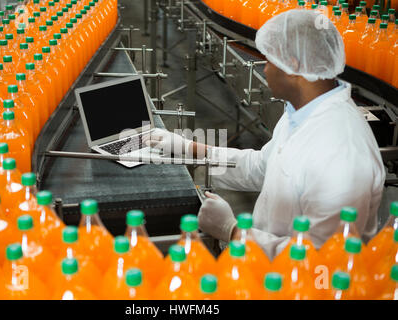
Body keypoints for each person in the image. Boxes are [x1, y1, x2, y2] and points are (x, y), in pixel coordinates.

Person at [143, 9, 385, 260]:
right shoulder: (300, 112)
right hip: (264, 270)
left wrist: (234, 232)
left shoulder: (341, 154)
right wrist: (189, 149)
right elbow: (262, 167)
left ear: (293, 66)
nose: (265, 69)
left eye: (268, 59)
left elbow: (322, 262)